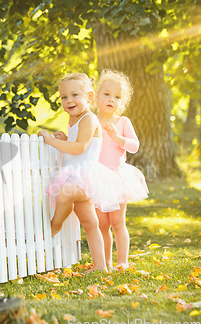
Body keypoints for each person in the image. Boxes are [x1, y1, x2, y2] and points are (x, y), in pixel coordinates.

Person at [38, 73, 127, 272]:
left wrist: (52, 141)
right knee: (90, 223)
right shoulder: (73, 119)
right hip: (74, 173)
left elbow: (79, 148)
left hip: (86, 177)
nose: (69, 100)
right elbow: (74, 143)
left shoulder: (89, 119)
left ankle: (56, 224)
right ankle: (101, 266)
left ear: (89, 96)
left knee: (66, 192)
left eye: (75, 95)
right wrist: (63, 138)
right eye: (64, 96)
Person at [94, 69, 149, 270]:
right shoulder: (91, 121)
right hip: (97, 179)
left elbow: (134, 146)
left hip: (117, 177)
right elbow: (79, 142)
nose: (111, 99)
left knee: (117, 222)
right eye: (107, 94)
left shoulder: (123, 122)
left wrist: (118, 138)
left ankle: (122, 261)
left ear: (122, 102)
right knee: (101, 225)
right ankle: (105, 261)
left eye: (117, 97)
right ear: (96, 96)